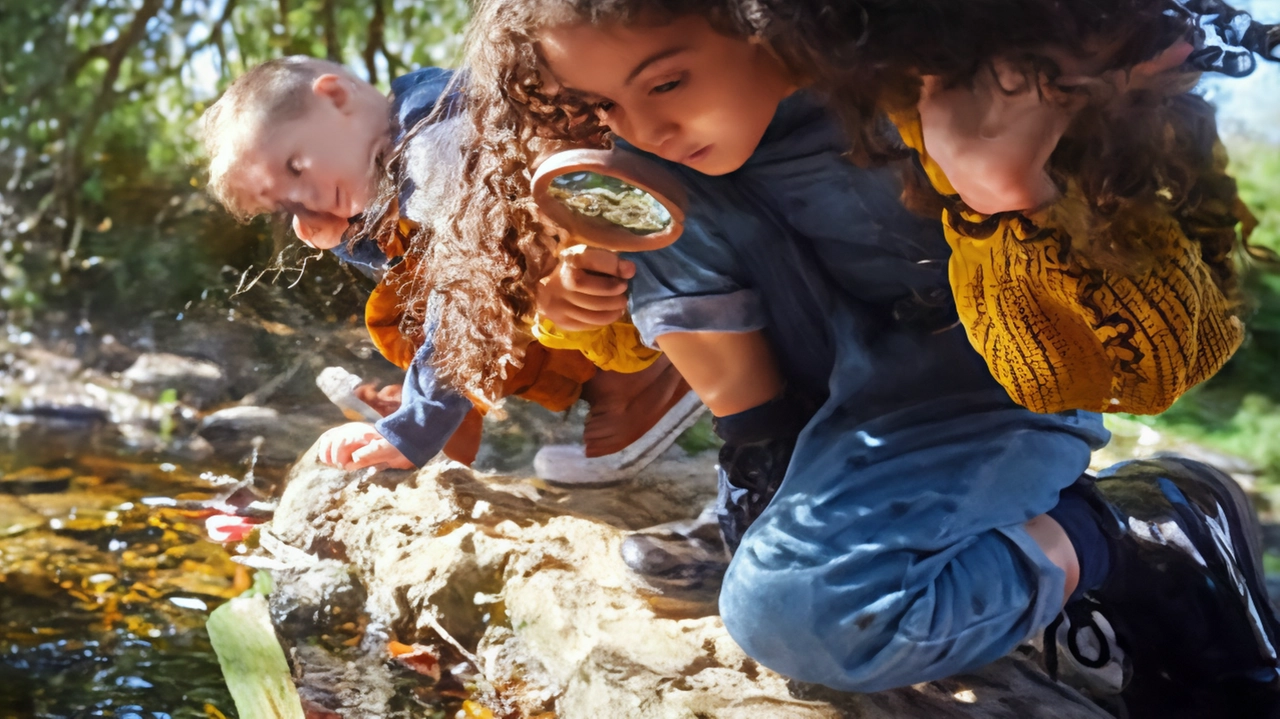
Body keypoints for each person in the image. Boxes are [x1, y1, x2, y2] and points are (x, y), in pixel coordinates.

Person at [453, 1, 1280, 714]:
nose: (643, 123)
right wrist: (572, 297)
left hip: (988, 395)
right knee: (636, 185)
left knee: (802, 617)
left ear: (768, 17)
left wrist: (1005, 194)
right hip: (827, 401)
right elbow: (648, 318)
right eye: (603, 100)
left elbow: (1158, 365)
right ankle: (764, 490)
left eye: (667, 82)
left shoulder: (960, 86)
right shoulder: (666, 151)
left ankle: (1133, 528)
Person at [198, 56, 696, 474]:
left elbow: (463, 286)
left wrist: (415, 429)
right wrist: (348, 238)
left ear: (335, 97)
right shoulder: (387, 148)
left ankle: (650, 379)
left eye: (296, 168)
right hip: (590, 273)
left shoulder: (435, 135)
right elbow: (415, 258)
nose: (307, 203)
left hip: (645, 258)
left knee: (462, 289)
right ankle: (450, 412)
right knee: (409, 297)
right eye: (287, 205)